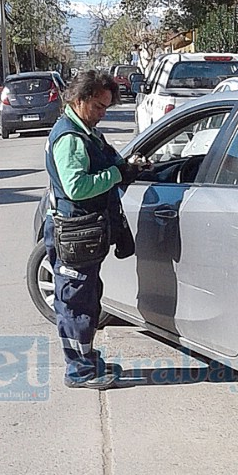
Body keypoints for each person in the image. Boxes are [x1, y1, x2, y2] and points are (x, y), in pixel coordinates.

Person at [44, 70, 145, 390]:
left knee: (87, 299)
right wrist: (117, 174)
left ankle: (85, 358)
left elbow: (107, 163)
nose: (104, 113)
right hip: (75, 231)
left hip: (85, 232)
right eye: (99, 107)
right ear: (79, 100)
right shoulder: (70, 138)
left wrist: (128, 167)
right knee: (75, 303)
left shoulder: (86, 131)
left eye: (107, 107)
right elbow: (77, 187)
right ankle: (78, 369)